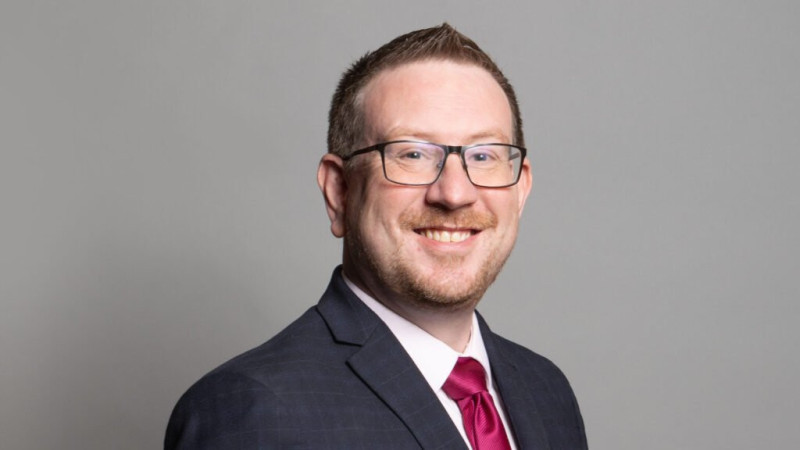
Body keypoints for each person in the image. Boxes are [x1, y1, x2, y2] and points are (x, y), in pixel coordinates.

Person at [165, 24, 587, 449]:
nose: (455, 194)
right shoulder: (254, 412)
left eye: (484, 156)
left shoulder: (546, 392)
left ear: (520, 191)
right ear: (339, 192)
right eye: (413, 154)